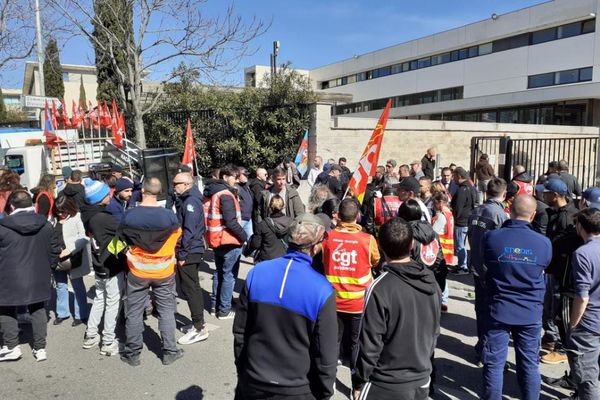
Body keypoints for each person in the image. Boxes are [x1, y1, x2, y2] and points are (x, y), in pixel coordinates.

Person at [233, 213, 337, 400]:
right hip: (296, 388)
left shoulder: (257, 273)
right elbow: (325, 355)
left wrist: (243, 370)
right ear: (316, 246)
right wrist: (325, 393)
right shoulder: (322, 289)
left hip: (253, 380)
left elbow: (241, 331)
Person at [352, 218, 440, 400]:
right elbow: (434, 331)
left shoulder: (379, 288)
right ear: (412, 244)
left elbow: (369, 344)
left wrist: (359, 381)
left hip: (386, 383)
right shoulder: (430, 280)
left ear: (380, 247)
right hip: (422, 377)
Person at [480, 195, 552, 400]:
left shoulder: (492, 237)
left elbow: (484, 263)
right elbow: (544, 267)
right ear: (533, 215)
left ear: (509, 211)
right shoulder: (544, 242)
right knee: (529, 363)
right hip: (530, 310)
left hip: (499, 307)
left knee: (494, 363)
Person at [119, 177, 185, 366]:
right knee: (166, 311)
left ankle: (132, 354)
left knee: (134, 312)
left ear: (142, 192)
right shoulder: (169, 216)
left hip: (138, 270)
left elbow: (119, 240)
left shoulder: (129, 215)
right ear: (160, 192)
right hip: (163, 271)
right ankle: (170, 352)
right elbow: (177, 238)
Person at [0, 190, 60, 362]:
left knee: (5, 308)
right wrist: (50, 266)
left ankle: (11, 346)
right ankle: (40, 348)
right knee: (38, 309)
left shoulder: (3, 227)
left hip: (9, 275)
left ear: (11, 206)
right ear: (32, 204)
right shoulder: (46, 224)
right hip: (39, 273)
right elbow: (55, 248)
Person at [322, 198, 380, 369]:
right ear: (358, 216)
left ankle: (329, 375)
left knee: (334, 339)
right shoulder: (368, 240)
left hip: (333, 299)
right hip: (359, 302)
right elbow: (376, 261)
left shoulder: (327, 237)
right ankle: (356, 380)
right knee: (356, 341)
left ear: (338, 216)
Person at [80, 179, 127, 356]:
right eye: (107, 193)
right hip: (111, 265)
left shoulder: (88, 216)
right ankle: (108, 341)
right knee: (113, 303)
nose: (110, 195)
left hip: (99, 264)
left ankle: (91, 335)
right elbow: (123, 231)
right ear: (100, 198)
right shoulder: (103, 218)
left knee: (100, 299)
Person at [467, 177, 509, 358]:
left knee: (481, 309)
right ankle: (487, 350)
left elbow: (470, 237)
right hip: (491, 270)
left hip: (477, 266)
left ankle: (482, 344)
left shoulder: (476, 211)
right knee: (492, 311)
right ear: (504, 194)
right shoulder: (500, 215)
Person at [169, 172, 210, 344]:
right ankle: (198, 323)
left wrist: (183, 254)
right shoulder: (187, 200)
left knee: (191, 288)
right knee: (191, 287)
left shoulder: (191, 202)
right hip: (190, 249)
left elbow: (190, 231)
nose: (174, 186)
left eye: (176, 183)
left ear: (186, 184)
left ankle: (199, 327)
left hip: (190, 251)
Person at [541, 178, 578, 364]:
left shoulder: (568, 217)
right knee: (549, 306)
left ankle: (561, 347)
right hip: (552, 269)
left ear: (555, 195)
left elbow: (563, 246)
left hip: (560, 272)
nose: (542, 195)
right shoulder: (556, 212)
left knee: (557, 308)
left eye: (546, 193)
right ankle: (551, 340)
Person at [564, 208, 600, 400]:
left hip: (589, 322)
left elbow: (582, 296)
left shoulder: (583, 253)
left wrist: (574, 323)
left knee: (587, 377)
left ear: (580, 226)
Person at [205, 165, 247, 319]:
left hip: (218, 240)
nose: (236, 180)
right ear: (225, 177)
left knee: (220, 273)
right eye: (234, 177)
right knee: (229, 276)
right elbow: (231, 221)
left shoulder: (215, 193)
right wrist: (244, 236)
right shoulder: (226, 195)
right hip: (229, 240)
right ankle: (224, 309)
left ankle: (216, 306)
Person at [51, 195, 91, 327]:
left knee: (77, 286)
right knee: (60, 285)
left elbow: (84, 237)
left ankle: (81, 314)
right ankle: (62, 313)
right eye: (58, 211)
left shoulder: (76, 217)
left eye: (63, 211)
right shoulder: (53, 219)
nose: (60, 214)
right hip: (57, 257)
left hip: (73, 258)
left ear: (69, 208)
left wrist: (70, 250)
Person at [247, 195, 293, 263]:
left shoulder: (263, 224)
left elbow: (255, 244)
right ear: (283, 206)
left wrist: (248, 249)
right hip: (284, 259)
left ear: (270, 206)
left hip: (266, 259)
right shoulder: (291, 222)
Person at [450, 167, 475, 274]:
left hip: (461, 222)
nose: (453, 178)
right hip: (467, 220)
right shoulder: (469, 187)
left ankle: (463, 267)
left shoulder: (462, 190)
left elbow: (458, 208)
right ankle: (463, 264)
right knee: (462, 245)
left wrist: (454, 218)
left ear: (459, 176)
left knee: (460, 246)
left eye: (454, 176)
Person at [432, 191, 454, 312]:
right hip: (448, 251)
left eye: (434, 203)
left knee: (439, 278)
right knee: (443, 277)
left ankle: (441, 302)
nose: (433, 205)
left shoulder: (441, 216)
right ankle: (444, 301)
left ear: (440, 203)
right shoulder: (449, 213)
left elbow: (433, 232)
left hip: (441, 251)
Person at [236, 167, 254, 239]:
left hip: (248, 218)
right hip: (241, 219)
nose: (247, 176)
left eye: (247, 175)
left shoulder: (246, 186)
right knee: (239, 240)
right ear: (238, 175)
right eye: (244, 175)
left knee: (250, 240)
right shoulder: (235, 187)